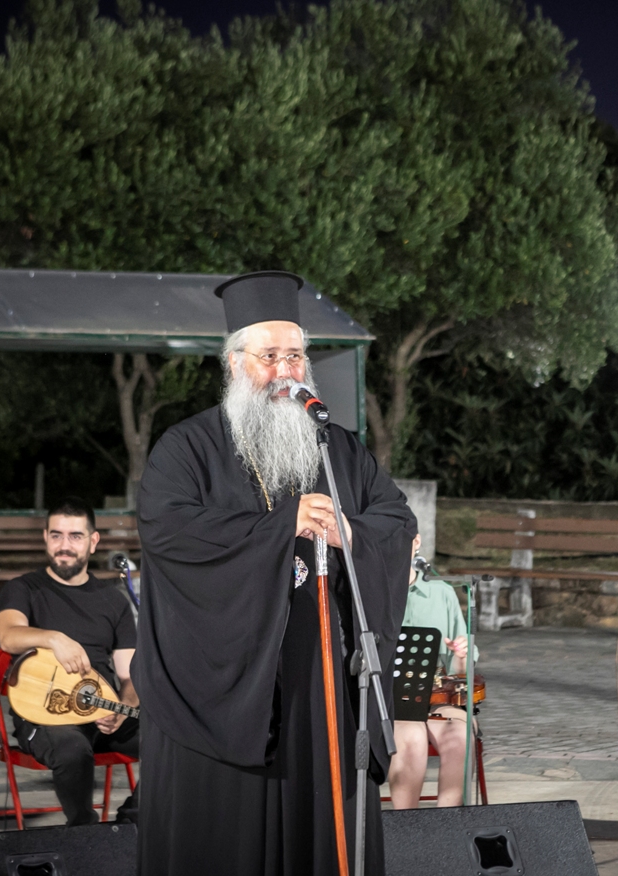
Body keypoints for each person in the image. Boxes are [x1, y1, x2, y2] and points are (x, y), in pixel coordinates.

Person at [132, 271, 416, 876]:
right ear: (235, 364)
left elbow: (395, 518)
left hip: (320, 679)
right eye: (270, 357)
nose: (286, 372)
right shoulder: (186, 448)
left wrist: (350, 533)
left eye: (295, 356)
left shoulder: (337, 447)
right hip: (224, 682)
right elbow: (168, 531)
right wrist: (280, 526)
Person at [0, 498, 139, 826]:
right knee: (72, 750)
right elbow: (8, 636)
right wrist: (54, 639)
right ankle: (84, 833)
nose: (64, 545)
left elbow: (129, 675)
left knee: (177, 737)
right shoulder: (23, 589)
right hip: (46, 713)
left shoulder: (113, 601)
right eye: (56, 535)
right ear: (45, 537)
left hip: (102, 711)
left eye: (75, 536)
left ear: (93, 541)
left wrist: (123, 706)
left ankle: (130, 823)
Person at [387, 535, 475, 808]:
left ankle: (447, 824)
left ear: (416, 542)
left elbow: (459, 675)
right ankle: (406, 824)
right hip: (394, 702)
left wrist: (461, 656)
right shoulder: (371, 592)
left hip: (437, 698)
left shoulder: (442, 593)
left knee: (459, 736)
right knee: (410, 738)